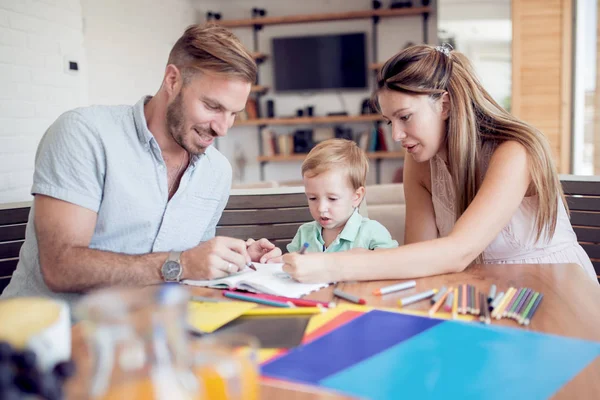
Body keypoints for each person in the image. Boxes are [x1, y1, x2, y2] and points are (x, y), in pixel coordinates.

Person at [2, 24, 281, 303]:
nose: (223, 129)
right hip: (45, 335)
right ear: (173, 80)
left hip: (144, 333)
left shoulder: (217, 171)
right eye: (213, 107)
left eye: (234, 114)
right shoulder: (83, 134)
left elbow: (193, 264)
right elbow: (61, 268)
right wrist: (181, 264)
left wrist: (239, 259)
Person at [281, 44, 597, 284]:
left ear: (443, 104)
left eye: (405, 117)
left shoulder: (514, 152)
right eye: (389, 121)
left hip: (553, 290)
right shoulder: (419, 161)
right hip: (477, 292)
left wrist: (332, 265)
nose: (396, 135)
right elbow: (421, 256)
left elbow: (458, 251)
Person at [281, 139, 398, 259]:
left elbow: (392, 264)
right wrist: (276, 259)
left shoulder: (372, 232)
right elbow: (289, 264)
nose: (321, 208)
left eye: (332, 199)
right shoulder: (304, 233)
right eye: (312, 198)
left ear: (356, 197)